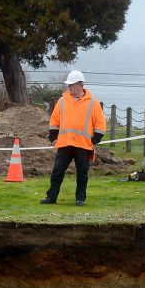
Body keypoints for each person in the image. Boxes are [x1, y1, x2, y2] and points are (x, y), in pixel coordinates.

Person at [41, 70, 106, 206]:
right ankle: (51, 197)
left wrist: (94, 140)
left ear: (80, 85)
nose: (69, 87)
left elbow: (100, 123)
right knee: (57, 172)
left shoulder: (93, 103)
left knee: (82, 174)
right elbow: (54, 120)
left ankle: (80, 199)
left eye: (72, 85)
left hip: (83, 145)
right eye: (69, 85)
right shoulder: (62, 101)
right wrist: (53, 137)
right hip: (65, 144)